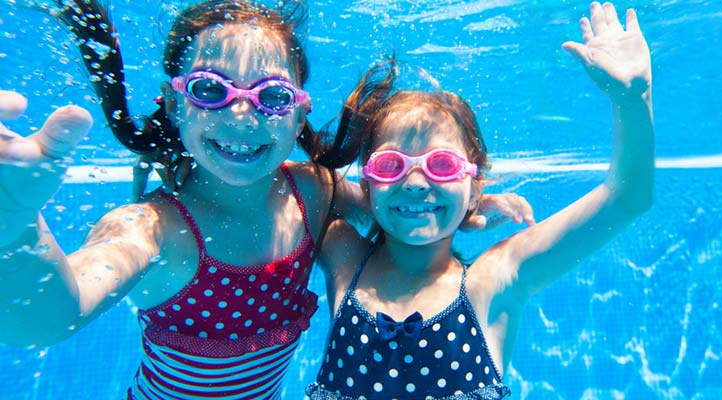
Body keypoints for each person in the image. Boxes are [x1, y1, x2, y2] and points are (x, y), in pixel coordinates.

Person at [0, 1, 531, 398]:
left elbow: (392, 204)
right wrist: (14, 225)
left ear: (300, 115)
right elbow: (46, 320)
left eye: (273, 96)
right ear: (174, 103)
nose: (241, 116)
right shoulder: (150, 230)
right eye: (211, 90)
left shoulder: (312, 192)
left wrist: (469, 206)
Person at [305, 2, 654, 398]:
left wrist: (633, 100)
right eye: (391, 166)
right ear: (368, 183)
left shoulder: (495, 279)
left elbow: (628, 198)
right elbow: (297, 184)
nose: (416, 183)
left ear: (474, 183)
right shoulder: (343, 256)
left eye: (441, 165)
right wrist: (463, 205)